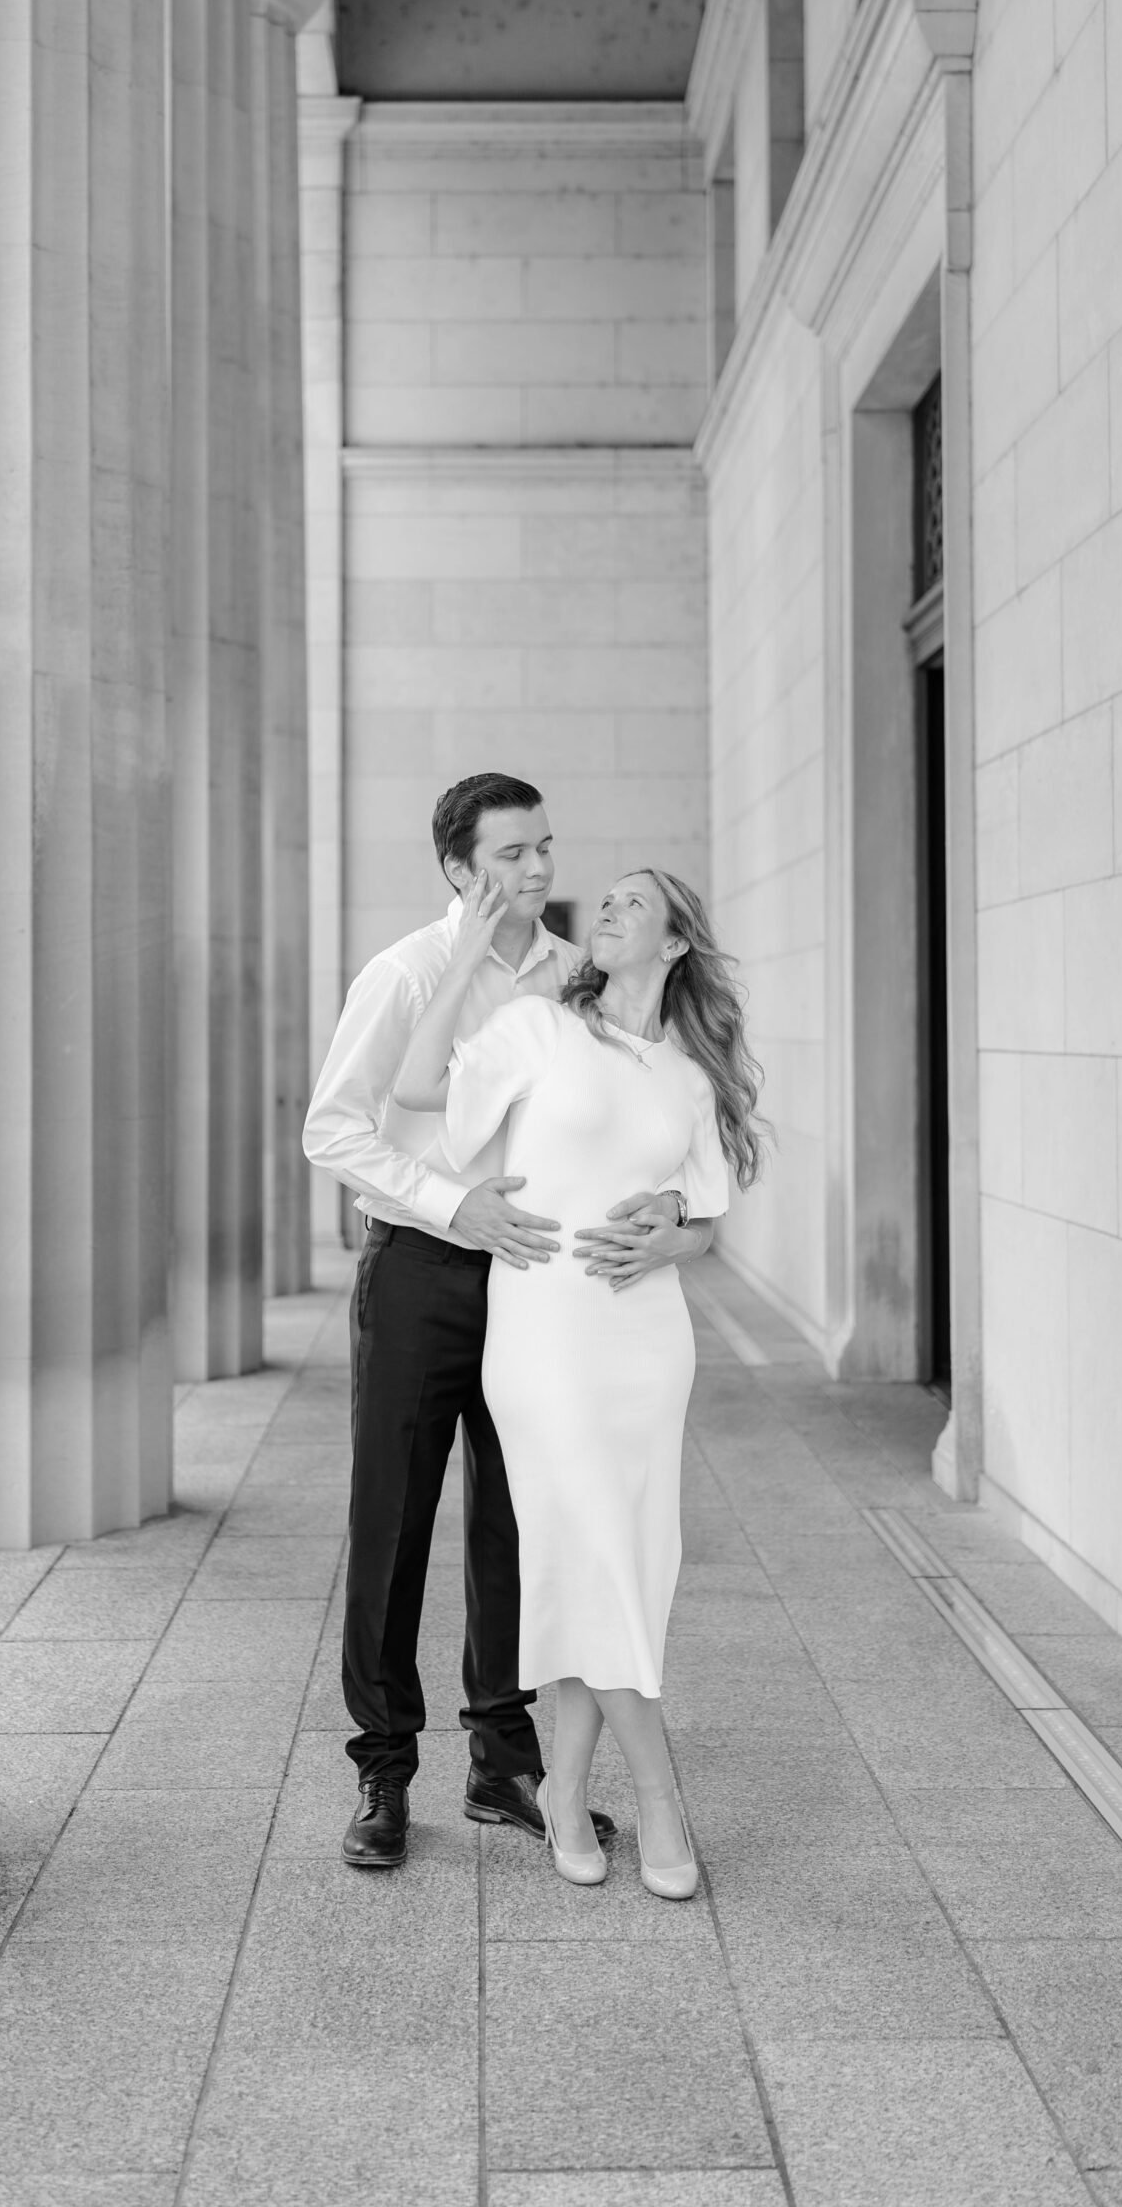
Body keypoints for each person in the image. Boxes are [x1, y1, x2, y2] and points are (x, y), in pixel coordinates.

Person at [303, 774, 708, 1870]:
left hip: (538, 1289)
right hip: (423, 1269)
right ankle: (384, 1771)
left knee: (520, 1526)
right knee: (392, 1518)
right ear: (458, 870)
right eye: (512, 855)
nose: (537, 872)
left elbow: (636, 1101)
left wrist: (673, 1203)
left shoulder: (574, 978)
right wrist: (453, 1202)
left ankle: (504, 1759)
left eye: (544, 848)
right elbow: (331, 1131)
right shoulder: (405, 975)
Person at [394, 864, 767, 1898]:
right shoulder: (538, 1028)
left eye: (631, 902)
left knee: (617, 1562)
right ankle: (659, 1801)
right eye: (601, 899)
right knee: (598, 1549)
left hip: (646, 1346)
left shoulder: (692, 1076)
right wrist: (467, 950)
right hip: (543, 1332)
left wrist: (667, 1238)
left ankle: (561, 1790)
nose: (604, 908)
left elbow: (703, 1218)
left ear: (676, 941)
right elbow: (418, 1087)